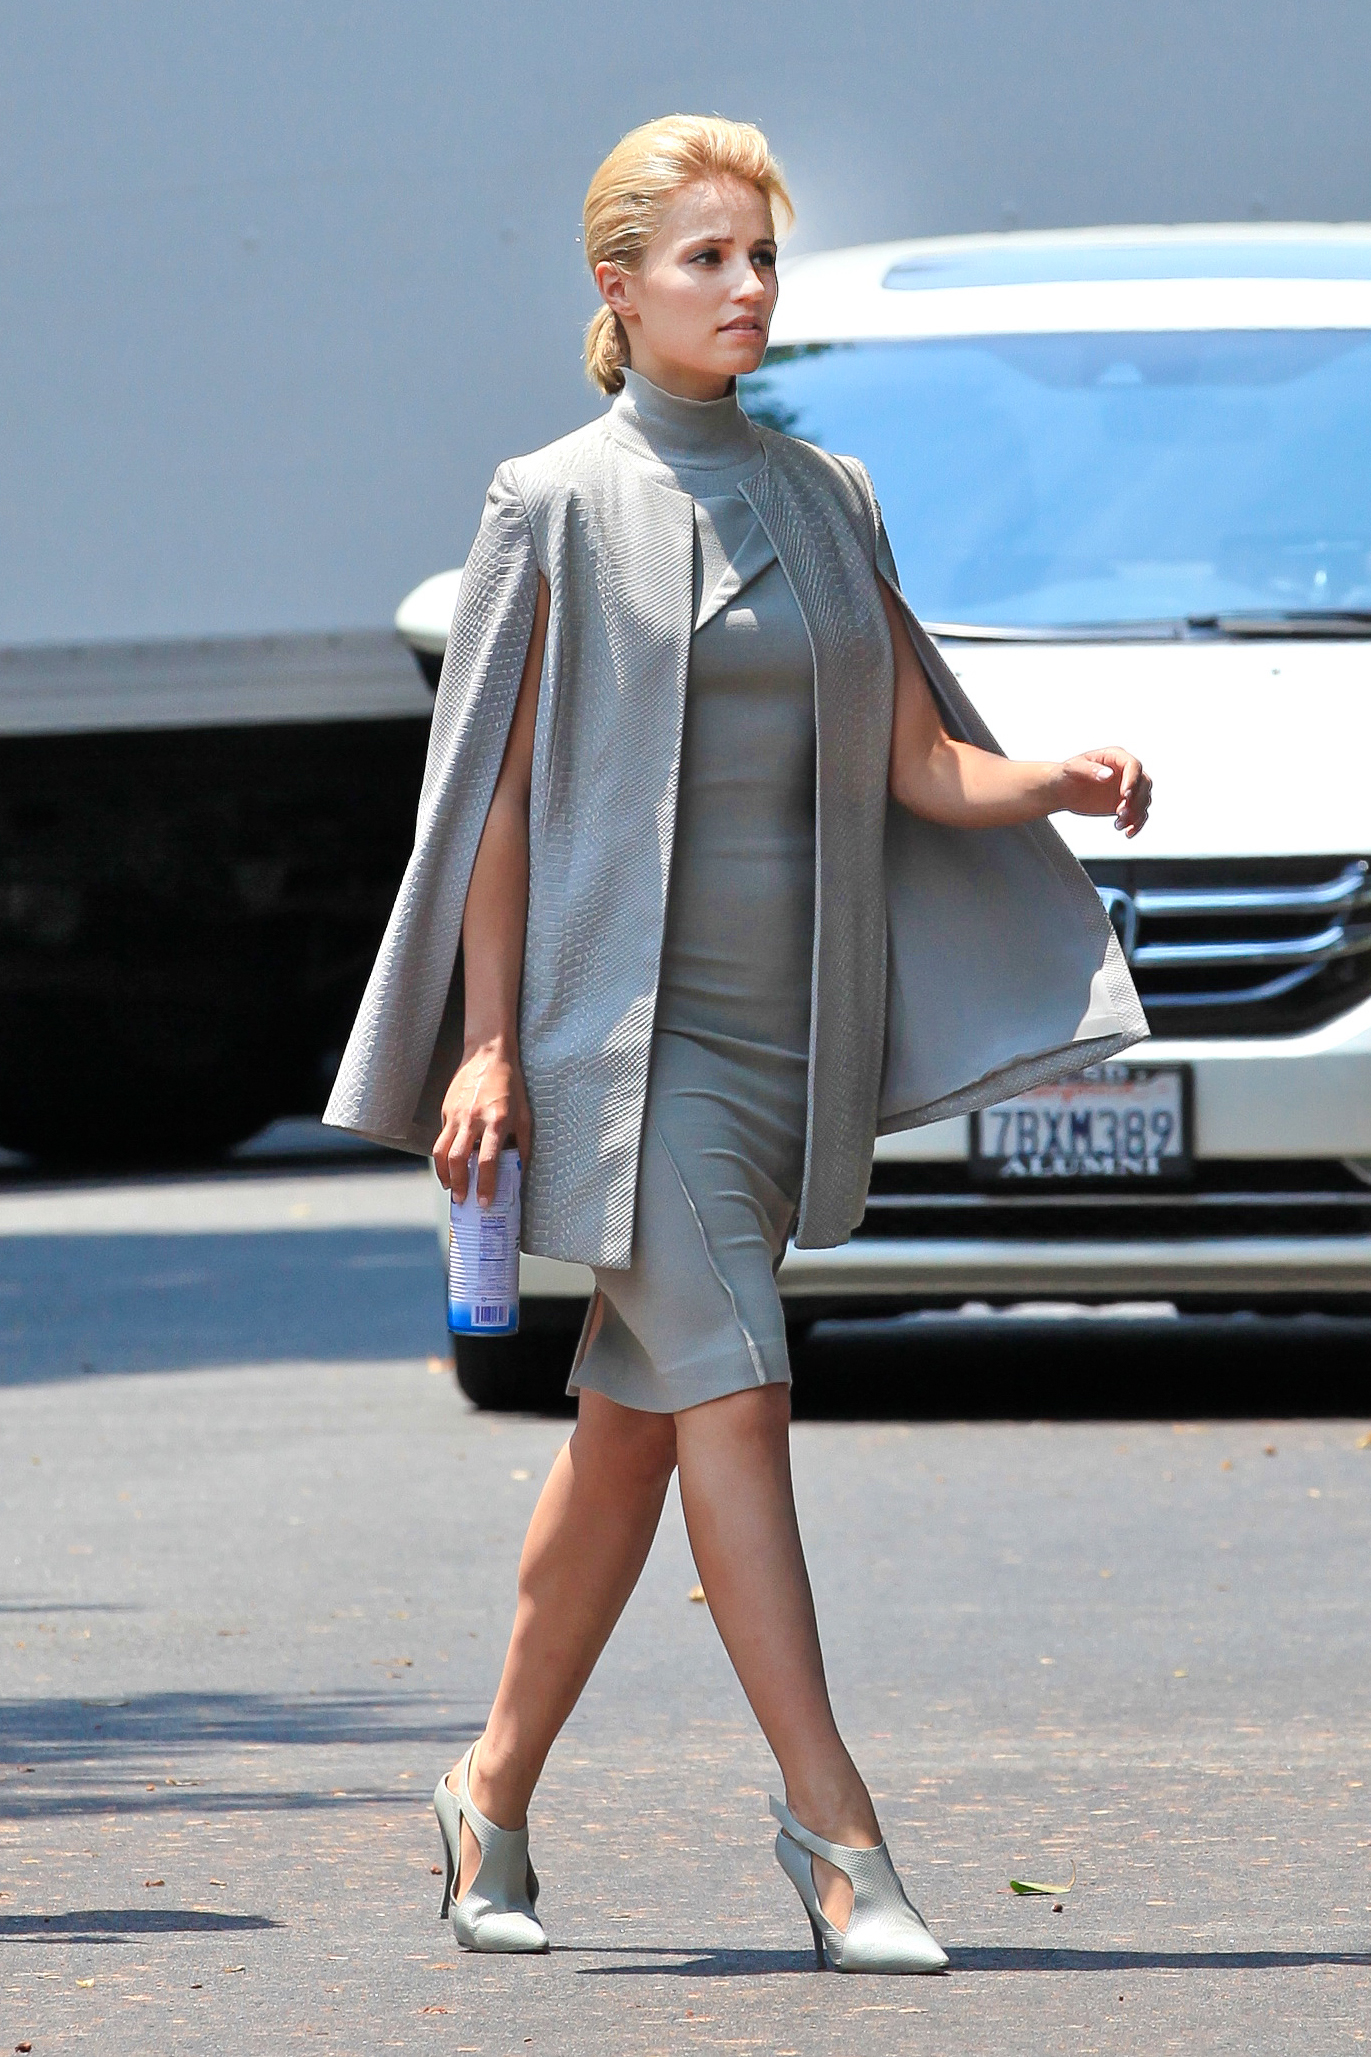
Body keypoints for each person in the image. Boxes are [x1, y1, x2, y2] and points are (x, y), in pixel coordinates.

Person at [325, 114, 1152, 1973]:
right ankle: (837, 1833)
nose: (748, 286)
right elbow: (493, 801)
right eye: (707, 256)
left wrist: (1056, 778)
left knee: (636, 1432)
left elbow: (912, 758)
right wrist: (485, 1044)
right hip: (632, 1045)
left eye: (761, 254)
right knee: (747, 1395)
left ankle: (487, 1789)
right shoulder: (550, 502)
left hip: (789, 1040)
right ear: (619, 287)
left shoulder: (825, 494)